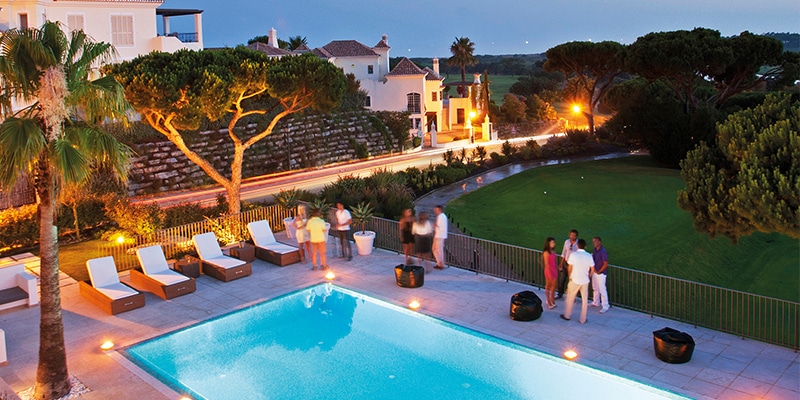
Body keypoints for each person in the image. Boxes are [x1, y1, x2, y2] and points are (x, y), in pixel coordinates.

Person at [560, 239, 593, 324]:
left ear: (578, 245)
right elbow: (592, 269)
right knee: (584, 301)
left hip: (575, 280)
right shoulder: (589, 256)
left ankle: (567, 315)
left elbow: (570, 267)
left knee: (570, 298)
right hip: (585, 281)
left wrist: (570, 276)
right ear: (585, 246)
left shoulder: (573, 255)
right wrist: (588, 276)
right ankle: (583, 319)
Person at [557, 229, 579, 299]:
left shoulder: (578, 244)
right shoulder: (567, 242)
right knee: (562, 279)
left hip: (574, 265)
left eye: (574, 236)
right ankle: (560, 293)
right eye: (571, 235)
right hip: (566, 263)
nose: (572, 237)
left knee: (572, 281)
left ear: (576, 236)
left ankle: (572, 296)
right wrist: (561, 263)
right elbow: (564, 253)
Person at [591, 236, 610, 313]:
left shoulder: (603, 251)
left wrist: (599, 271)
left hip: (601, 274)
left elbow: (605, 263)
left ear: (599, 242)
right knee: (595, 287)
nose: (594, 243)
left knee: (602, 289)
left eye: (595, 241)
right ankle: (596, 302)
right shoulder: (595, 250)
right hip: (595, 272)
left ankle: (605, 305)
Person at [542, 237, 558, 309]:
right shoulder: (546, 253)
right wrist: (550, 272)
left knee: (553, 286)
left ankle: (552, 299)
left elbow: (555, 261)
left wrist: (557, 268)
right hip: (549, 270)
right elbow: (547, 264)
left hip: (554, 270)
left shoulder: (553, 251)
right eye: (551, 243)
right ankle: (548, 301)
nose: (553, 244)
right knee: (548, 286)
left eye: (553, 242)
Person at [432, 205, 448, 269]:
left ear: (439, 210)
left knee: (437, 250)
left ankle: (440, 263)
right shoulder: (442, 217)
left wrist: (434, 226)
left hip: (439, 236)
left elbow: (440, 227)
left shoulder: (441, 217)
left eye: (436, 210)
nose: (435, 211)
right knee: (436, 249)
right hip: (439, 235)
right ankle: (440, 262)